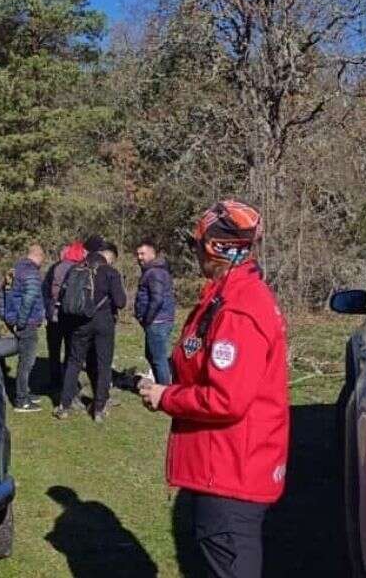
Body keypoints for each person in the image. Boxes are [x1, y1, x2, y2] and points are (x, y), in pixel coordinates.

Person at [140, 201, 290, 578]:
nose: (194, 255)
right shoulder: (225, 296)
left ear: (216, 249)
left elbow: (227, 398)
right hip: (224, 467)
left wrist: (165, 397)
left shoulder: (239, 308)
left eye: (197, 246)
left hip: (231, 472)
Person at [55, 237, 126, 423]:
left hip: (79, 323)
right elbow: (121, 302)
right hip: (104, 324)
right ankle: (99, 410)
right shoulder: (110, 272)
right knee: (103, 365)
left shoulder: (75, 268)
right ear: (106, 256)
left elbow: (64, 297)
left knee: (74, 362)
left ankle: (63, 405)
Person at [4, 244, 47, 412]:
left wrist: (8, 318)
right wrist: (21, 321)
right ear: (39, 255)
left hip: (18, 319)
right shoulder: (31, 273)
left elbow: (4, 293)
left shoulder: (16, 269)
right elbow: (29, 300)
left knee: (24, 361)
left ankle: (24, 392)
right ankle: (22, 400)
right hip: (27, 322)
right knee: (27, 362)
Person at [43, 241, 87, 398]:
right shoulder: (80, 269)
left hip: (54, 316)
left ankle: (55, 381)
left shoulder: (55, 268)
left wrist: (47, 309)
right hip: (70, 317)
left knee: (54, 350)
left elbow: (45, 290)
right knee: (71, 352)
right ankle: (69, 384)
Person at [134, 239, 177, 386]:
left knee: (158, 357)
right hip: (158, 320)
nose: (139, 257)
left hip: (157, 321)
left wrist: (147, 319)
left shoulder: (154, 273)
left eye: (143, 254)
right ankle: (160, 385)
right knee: (151, 354)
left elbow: (157, 299)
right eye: (138, 254)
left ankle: (164, 390)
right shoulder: (155, 271)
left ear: (152, 254)